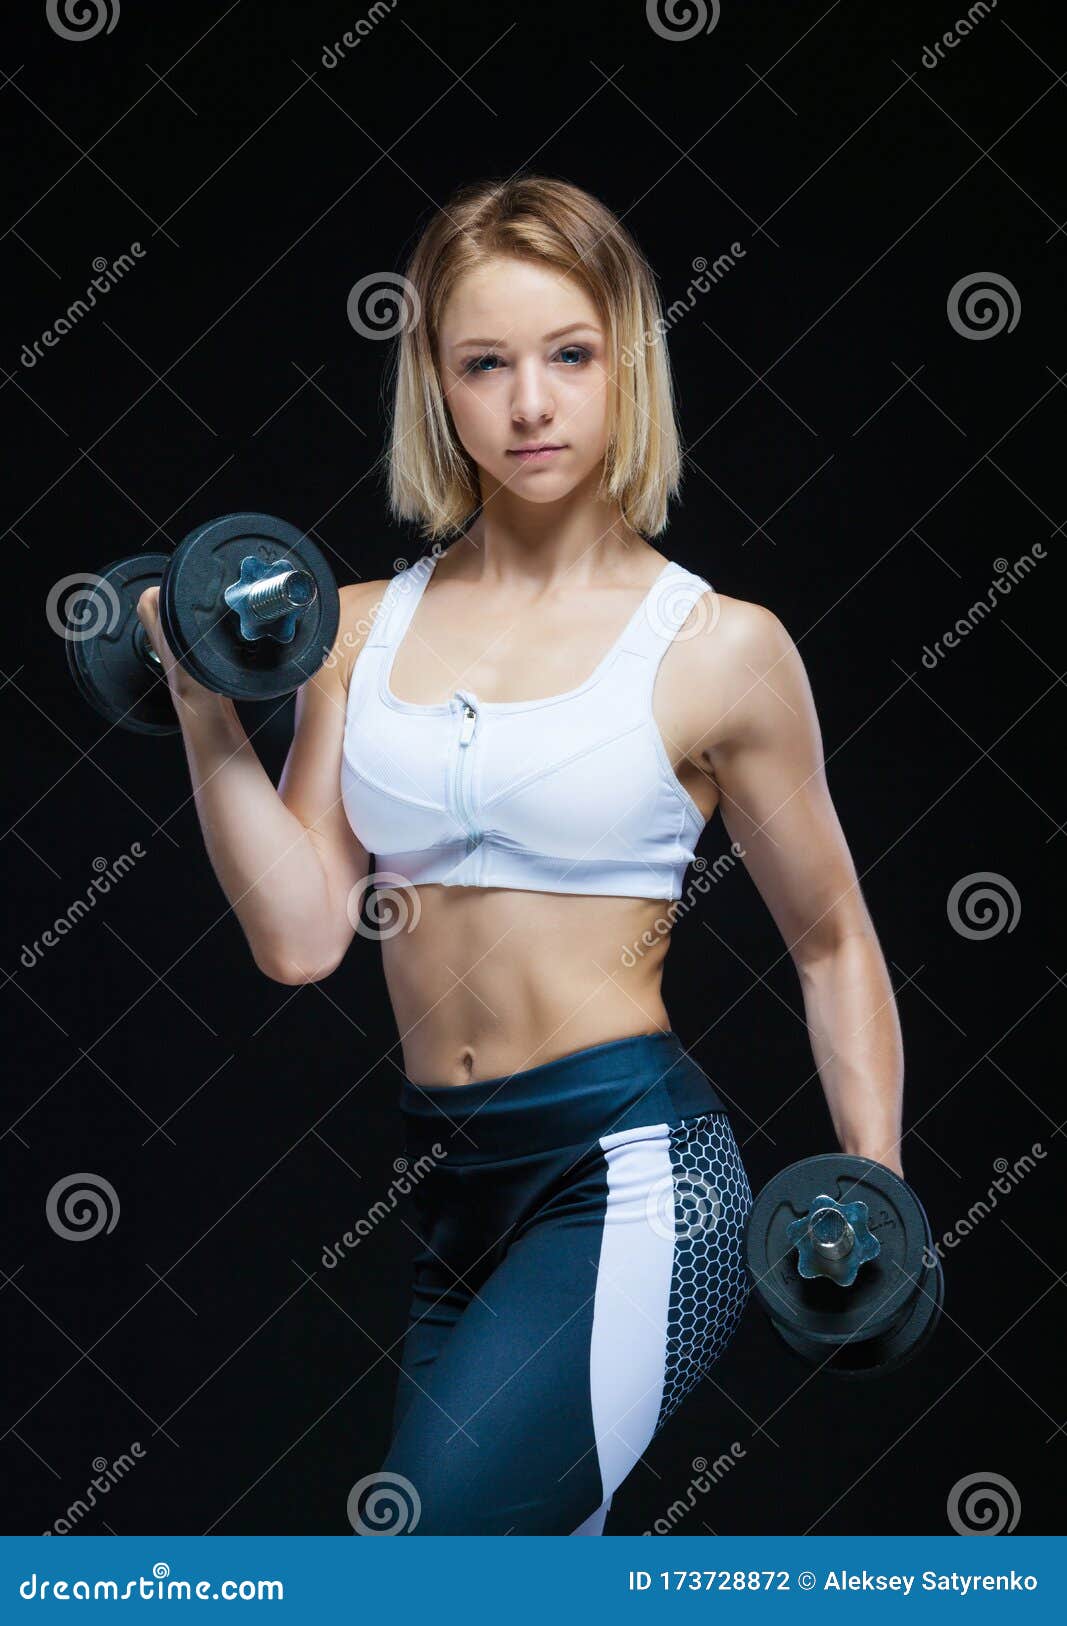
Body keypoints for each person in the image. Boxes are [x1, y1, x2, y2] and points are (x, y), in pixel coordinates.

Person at [136, 176, 904, 1536]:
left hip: (629, 1174)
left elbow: (833, 934)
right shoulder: (355, 632)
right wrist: (205, 709)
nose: (530, 404)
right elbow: (304, 935)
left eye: (569, 354)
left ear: (627, 364)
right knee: (523, 1585)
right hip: (450, 1192)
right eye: (484, 363)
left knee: (433, 1567)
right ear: (436, 383)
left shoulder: (720, 648)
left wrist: (876, 1179)